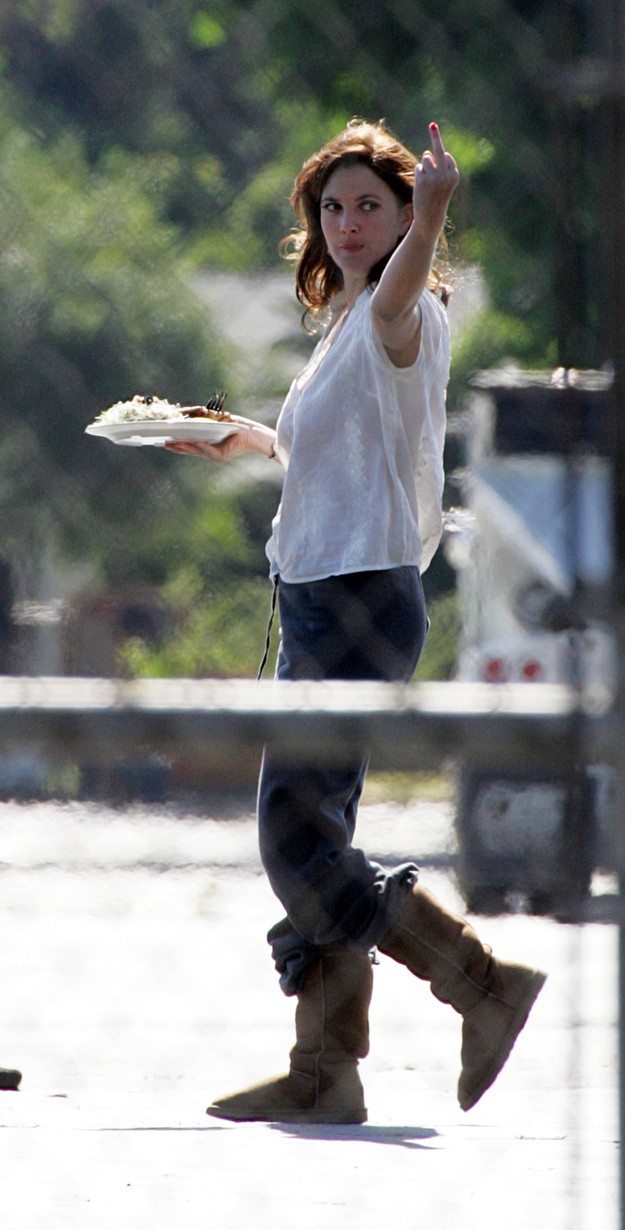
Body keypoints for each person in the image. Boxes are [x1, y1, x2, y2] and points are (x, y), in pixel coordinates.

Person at [167, 118, 546, 1124]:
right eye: (331, 207)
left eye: (368, 206)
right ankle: (324, 1072)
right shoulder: (343, 331)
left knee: (291, 838)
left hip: (356, 599)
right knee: (315, 832)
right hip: (323, 595)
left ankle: (480, 985)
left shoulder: (396, 311)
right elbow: (341, 461)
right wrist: (249, 438)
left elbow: (405, 285)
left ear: (402, 217)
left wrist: (430, 214)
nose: (346, 223)